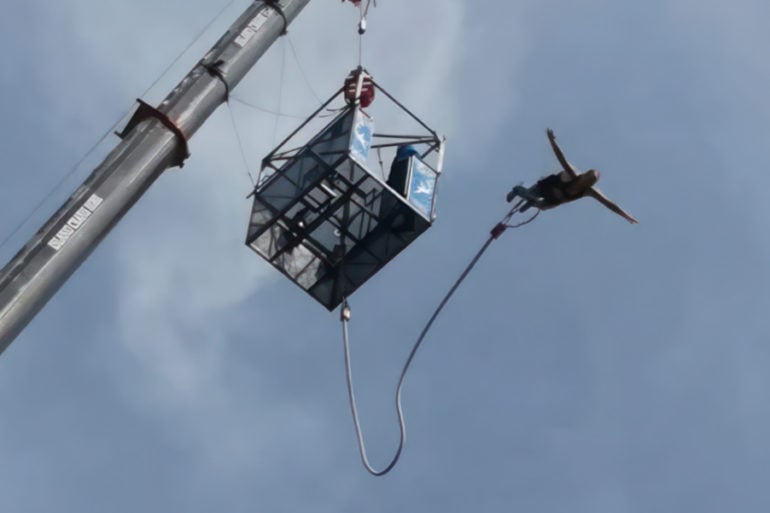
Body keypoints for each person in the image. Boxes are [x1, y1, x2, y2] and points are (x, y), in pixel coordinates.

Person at [507, 129, 639, 224]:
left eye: (588, 183)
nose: (583, 185)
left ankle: (532, 201)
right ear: (583, 176)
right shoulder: (572, 174)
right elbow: (561, 158)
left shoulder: (590, 191)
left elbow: (609, 204)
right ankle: (519, 190)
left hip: (553, 199)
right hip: (545, 187)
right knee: (534, 194)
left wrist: (627, 216)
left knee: (543, 206)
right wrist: (552, 141)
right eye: (585, 180)